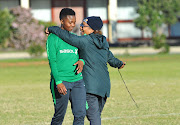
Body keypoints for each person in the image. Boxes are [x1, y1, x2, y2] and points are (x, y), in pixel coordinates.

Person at [46, 16, 126, 125]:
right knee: (93, 115)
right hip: (104, 87)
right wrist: (119, 64)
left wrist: (51, 28)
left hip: (89, 87)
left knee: (93, 117)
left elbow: (67, 37)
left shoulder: (85, 40)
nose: (81, 28)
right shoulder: (103, 41)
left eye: (83, 26)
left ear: (92, 28)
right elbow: (111, 59)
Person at [46, 8, 86, 125]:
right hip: (62, 81)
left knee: (80, 114)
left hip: (77, 81)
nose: (73, 25)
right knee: (59, 116)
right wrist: (58, 82)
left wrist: (82, 60)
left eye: (74, 22)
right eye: (70, 22)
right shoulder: (53, 38)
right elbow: (52, 61)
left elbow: (83, 52)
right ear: (62, 21)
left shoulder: (74, 37)